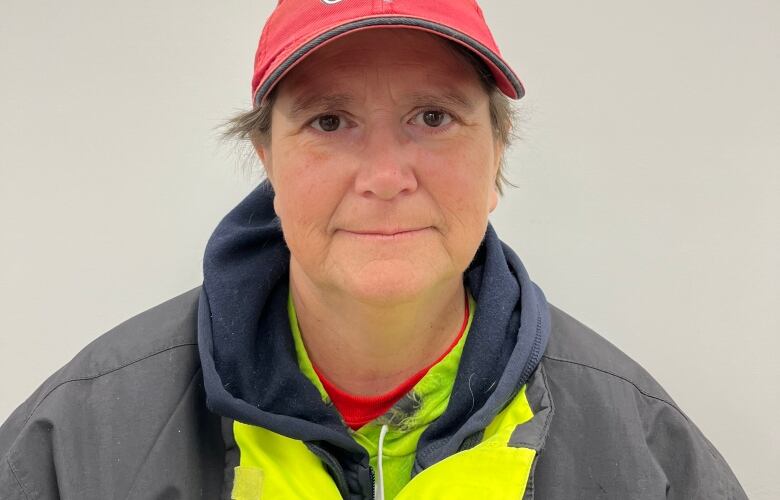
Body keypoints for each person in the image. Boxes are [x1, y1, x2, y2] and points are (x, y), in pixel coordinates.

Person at [0, 1, 747, 499]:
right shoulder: (77, 441)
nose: (386, 178)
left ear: (497, 153)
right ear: (267, 156)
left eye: (433, 115)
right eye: (329, 122)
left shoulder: (643, 451)